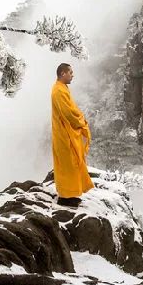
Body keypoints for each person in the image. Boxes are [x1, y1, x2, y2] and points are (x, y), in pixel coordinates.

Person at [51, 63, 94, 207]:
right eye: (70, 72)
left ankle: (72, 194)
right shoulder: (58, 91)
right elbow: (68, 113)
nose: (72, 75)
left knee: (72, 164)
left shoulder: (63, 88)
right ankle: (64, 197)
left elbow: (72, 108)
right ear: (63, 73)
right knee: (67, 165)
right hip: (63, 135)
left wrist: (80, 118)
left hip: (67, 132)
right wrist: (80, 122)